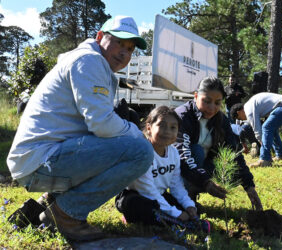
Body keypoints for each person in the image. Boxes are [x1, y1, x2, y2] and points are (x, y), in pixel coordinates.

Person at [6, 15, 154, 241]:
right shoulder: (89, 61)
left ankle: (49, 203)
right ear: (100, 37)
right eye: (119, 43)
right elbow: (101, 123)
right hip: (40, 159)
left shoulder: (91, 62)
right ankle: (65, 215)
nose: (124, 52)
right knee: (141, 151)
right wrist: (136, 133)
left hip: (36, 158)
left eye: (131, 48)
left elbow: (95, 128)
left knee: (118, 146)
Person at [174, 76, 263, 211]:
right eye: (207, 101)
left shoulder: (221, 120)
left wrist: (249, 186)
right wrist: (205, 182)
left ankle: (194, 190)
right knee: (196, 150)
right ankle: (185, 198)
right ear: (196, 96)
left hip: (204, 167)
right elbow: (183, 155)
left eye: (217, 103)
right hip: (179, 170)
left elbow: (233, 151)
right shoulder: (183, 116)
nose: (211, 108)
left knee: (230, 167)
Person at [115, 106, 206, 229]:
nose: (167, 131)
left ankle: (166, 219)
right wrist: (177, 213)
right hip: (135, 195)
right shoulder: (143, 152)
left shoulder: (173, 153)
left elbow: (176, 186)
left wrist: (188, 205)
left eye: (173, 127)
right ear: (149, 128)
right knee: (139, 205)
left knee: (195, 208)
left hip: (159, 195)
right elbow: (147, 190)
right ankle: (137, 217)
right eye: (161, 125)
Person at [230, 92, 282, 167]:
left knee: (266, 127)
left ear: (239, 112)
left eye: (240, 118)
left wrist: (261, 142)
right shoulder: (249, 105)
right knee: (272, 128)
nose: (243, 120)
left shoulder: (248, 110)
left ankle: (265, 159)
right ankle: (281, 155)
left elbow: (257, 130)